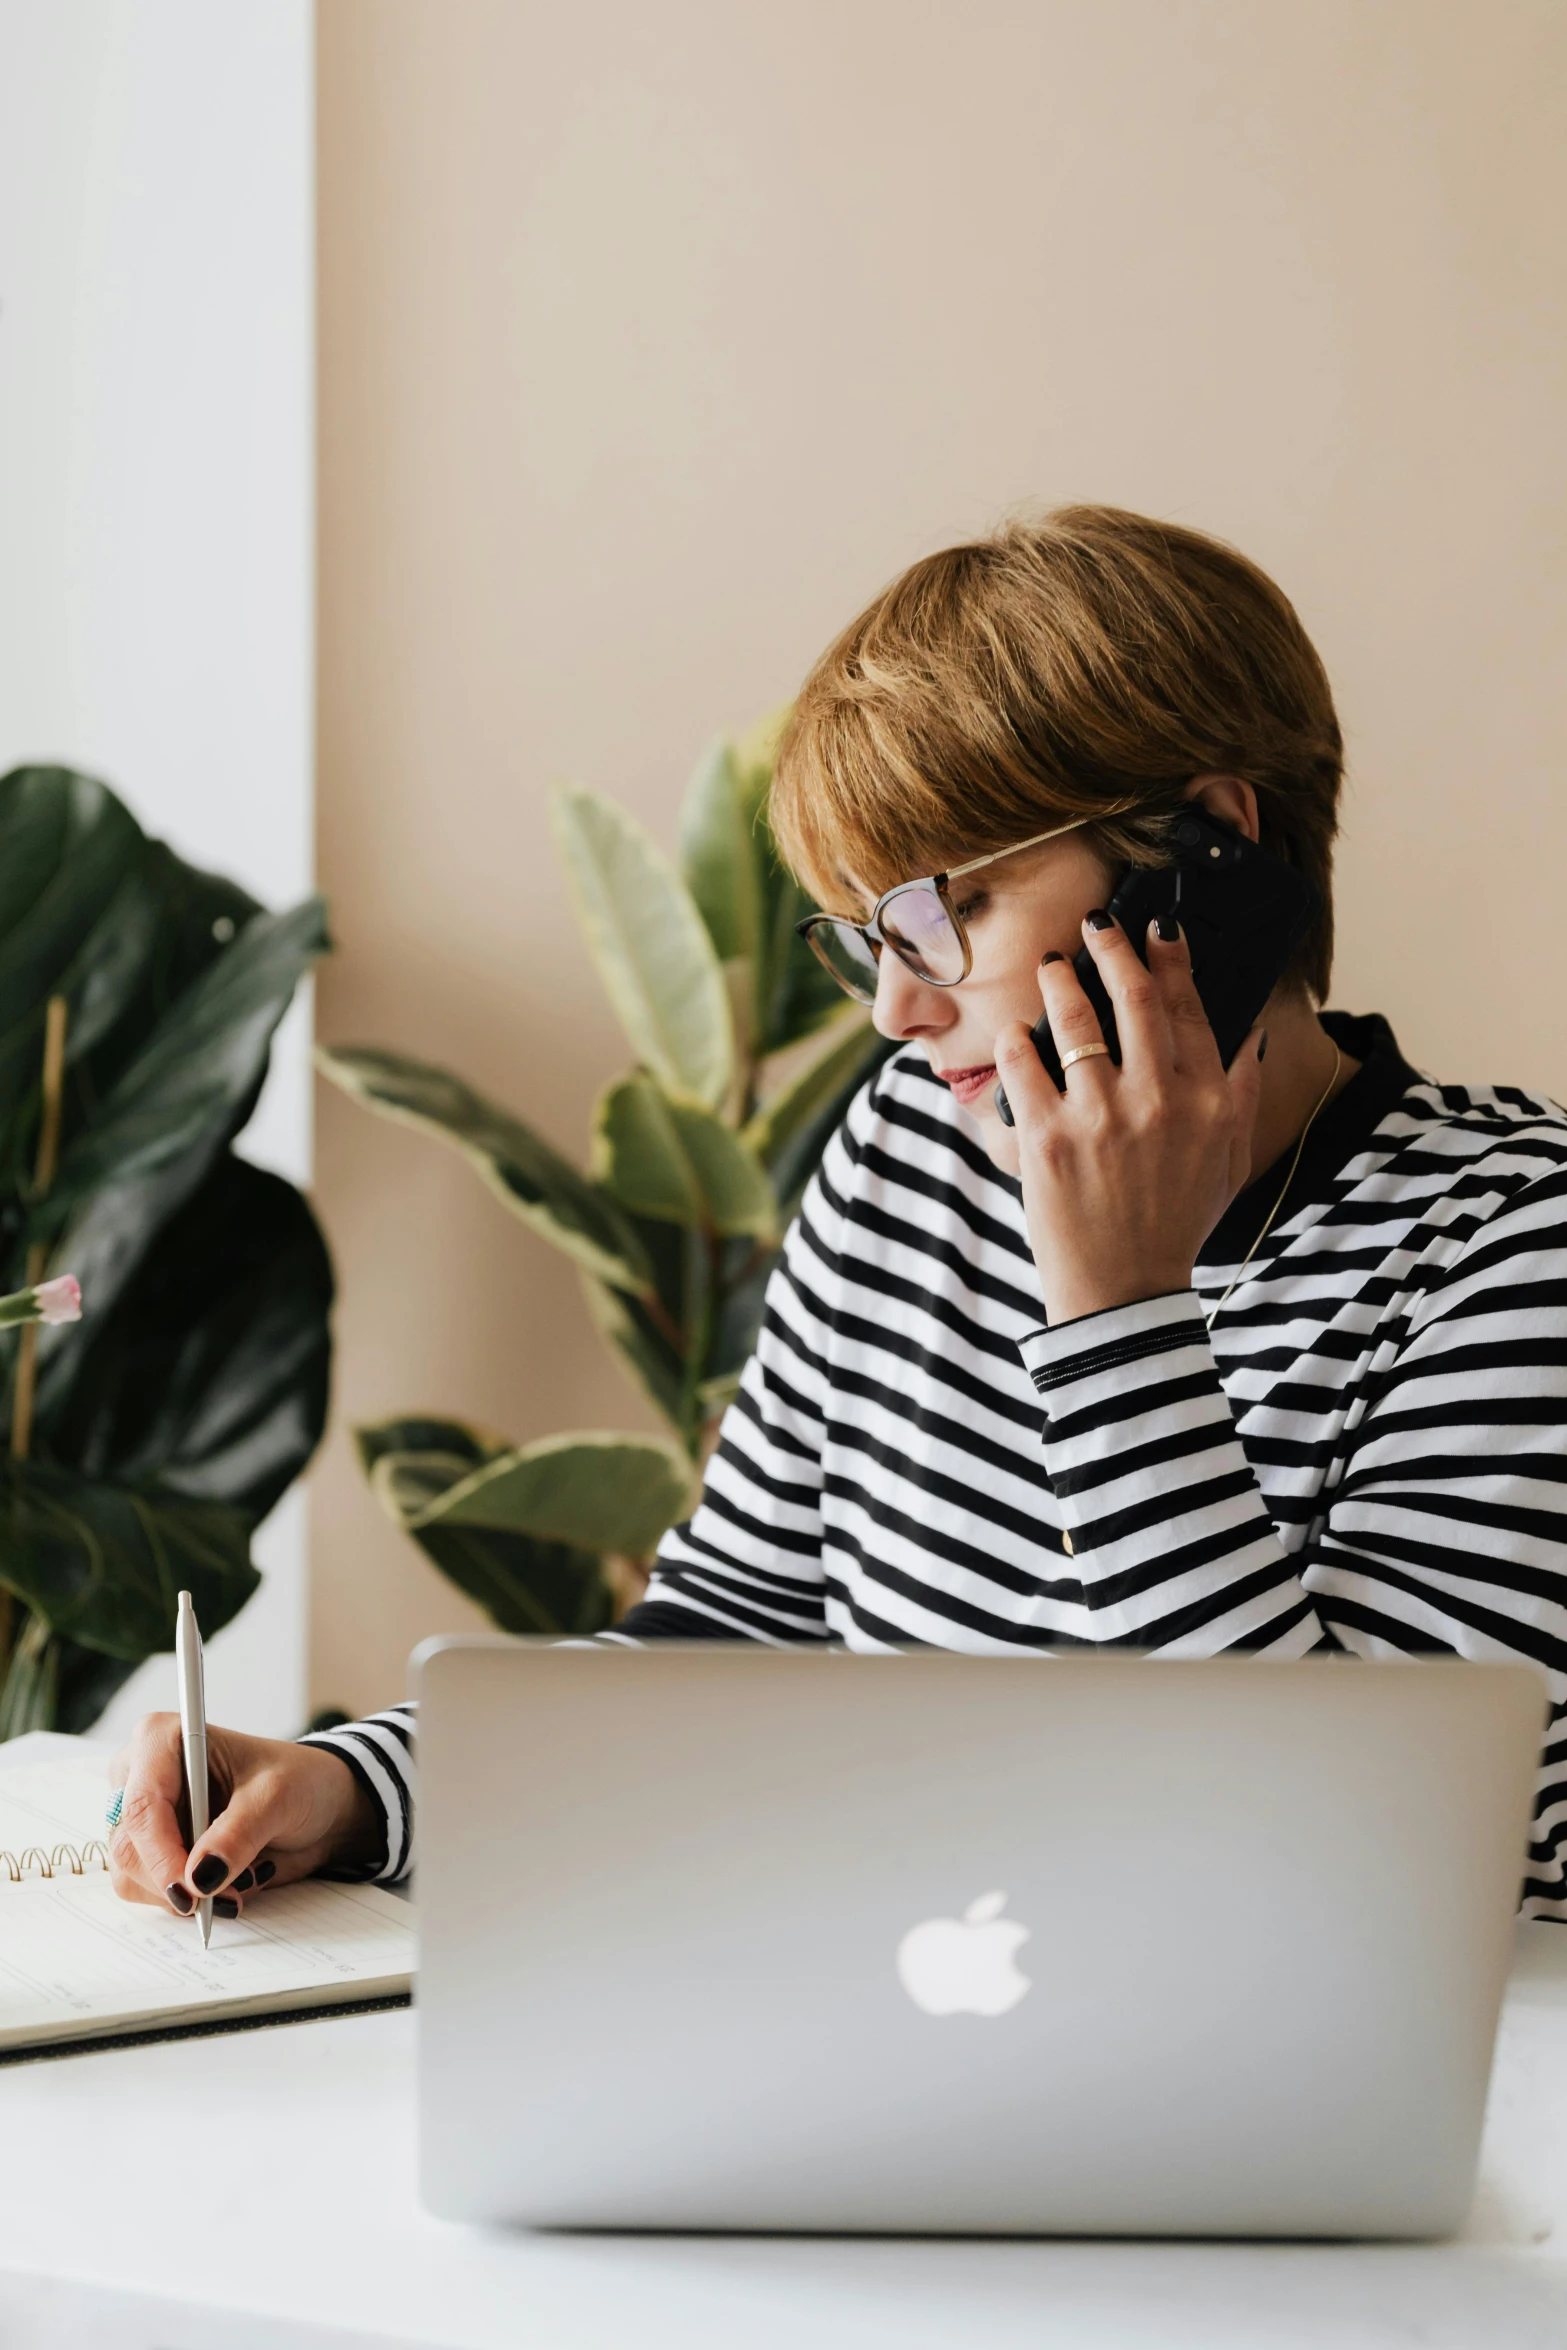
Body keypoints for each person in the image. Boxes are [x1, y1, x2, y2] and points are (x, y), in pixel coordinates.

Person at [105, 506, 1567, 1922]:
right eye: (868, 932)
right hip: (941, 2072)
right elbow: (728, 1637)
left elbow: (1353, 1881)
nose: (893, 1008)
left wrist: (1119, 1313)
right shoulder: (913, 1152)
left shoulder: (1508, 1246)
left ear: (1204, 859)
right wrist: (354, 1787)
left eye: (950, 910)